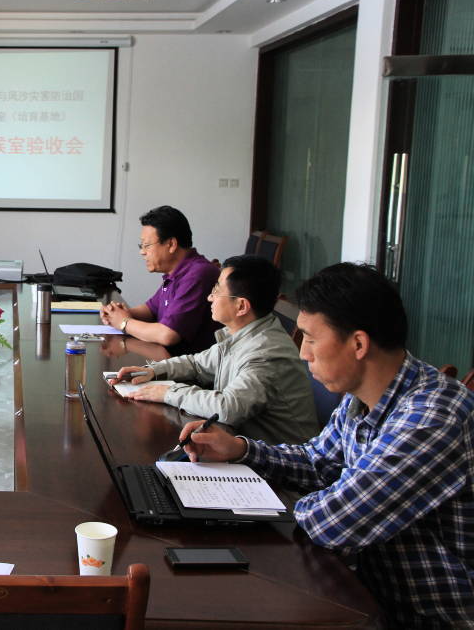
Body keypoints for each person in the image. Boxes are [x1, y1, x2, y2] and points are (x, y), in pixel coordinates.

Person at [179, 263, 474, 628]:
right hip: (363, 594)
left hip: (423, 617)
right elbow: (318, 463)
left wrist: (273, 503)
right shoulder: (361, 396)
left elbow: (335, 521)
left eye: (311, 339)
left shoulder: (432, 415)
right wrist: (241, 450)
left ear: (358, 344)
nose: (303, 353)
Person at [109, 255, 318, 445]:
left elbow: (228, 407)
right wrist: (153, 371)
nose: (210, 297)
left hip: (278, 472)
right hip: (243, 447)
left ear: (241, 306)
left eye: (217, 290)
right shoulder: (241, 332)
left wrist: (168, 393)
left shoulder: (265, 353)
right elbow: (197, 364)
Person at [100, 205, 220, 355]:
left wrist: (124, 323)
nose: (142, 252)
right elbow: (151, 309)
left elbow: (168, 335)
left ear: (171, 244)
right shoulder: (177, 271)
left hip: (190, 372)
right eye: (141, 245)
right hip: (168, 360)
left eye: (146, 245)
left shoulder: (197, 274)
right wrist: (117, 313)